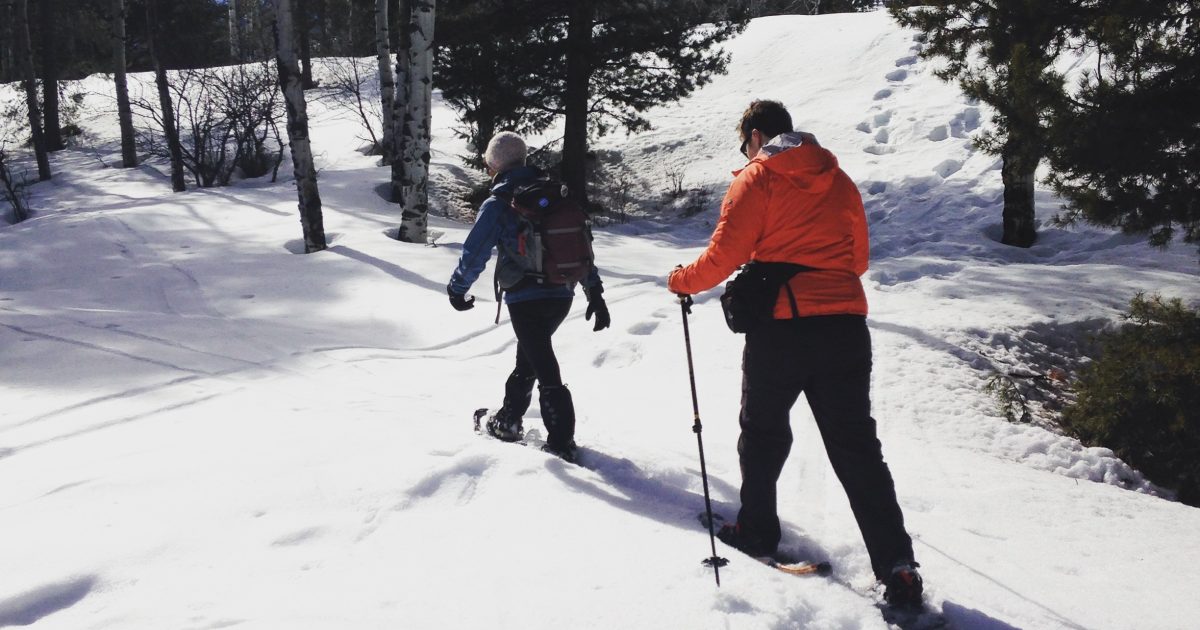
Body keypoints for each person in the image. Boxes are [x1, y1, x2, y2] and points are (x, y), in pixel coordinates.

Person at [666, 101, 923, 608]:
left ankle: (757, 530)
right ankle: (898, 565)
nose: (745, 152)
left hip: (782, 330)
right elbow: (860, 259)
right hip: (846, 326)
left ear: (757, 136)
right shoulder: (839, 179)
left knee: (762, 432)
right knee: (857, 450)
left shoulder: (758, 178)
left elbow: (725, 253)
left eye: (745, 144)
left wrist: (681, 280)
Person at [447, 131, 610, 464]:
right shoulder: (555, 194)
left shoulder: (499, 202)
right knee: (530, 357)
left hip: (525, 297)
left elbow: (474, 250)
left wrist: (457, 288)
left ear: (494, 164)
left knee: (544, 364)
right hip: (561, 295)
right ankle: (507, 418)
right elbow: (581, 246)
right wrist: (594, 291)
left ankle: (562, 441)